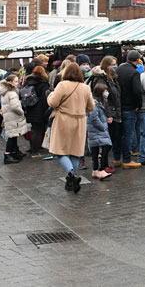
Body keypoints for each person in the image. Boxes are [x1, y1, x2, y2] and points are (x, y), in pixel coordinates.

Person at [47, 62, 95, 193]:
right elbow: (91, 106)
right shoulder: (85, 87)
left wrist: (50, 95)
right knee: (75, 151)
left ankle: (71, 174)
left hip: (63, 120)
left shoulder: (62, 85)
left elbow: (52, 102)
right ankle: (71, 181)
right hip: (79, 121)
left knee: (60, 150)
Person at [86, 57, 122, 171]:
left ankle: (102, 165)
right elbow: (103, 98)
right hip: (107, 113)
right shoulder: (101, 79)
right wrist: (109, 114)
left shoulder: (112, 78)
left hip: (113, 111)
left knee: (110, 139)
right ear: (106, 65)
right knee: (106, 141)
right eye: (112, 64)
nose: (115, 66)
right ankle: (103, 165)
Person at [117, 50, 143, 169]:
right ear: (138, 60)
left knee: (119, 134)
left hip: (118, 107)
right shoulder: (134, 73)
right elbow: (137, 91)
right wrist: (139, 105)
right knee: (128, 134)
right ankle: (127, 160)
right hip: (129, 107)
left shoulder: (118, 70)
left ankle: (117, 158)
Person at [0, 74, 28, 164]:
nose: (18, 83)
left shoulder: (5, 92)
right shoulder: (11, 93)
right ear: (10, 82)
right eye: (15, 81)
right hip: (13, 117)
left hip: (9, 117)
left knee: (13, 135)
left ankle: (14, 152)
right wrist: (21, 112)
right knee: (12, 136)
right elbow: (15, 106)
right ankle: (7, 155)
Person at [22, 65, 51, 157]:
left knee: (33, 129)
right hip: (39, 109)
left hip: (29, 107)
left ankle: (32, 148)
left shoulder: (27, 82)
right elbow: (44, 98)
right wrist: (46, 111)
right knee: (37, 130)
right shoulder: (43, 83)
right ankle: (35, 151)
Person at [87, 83, 113, 180]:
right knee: (102, 149)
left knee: (96, 150)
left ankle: (96, 170)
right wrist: (103, 127)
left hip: (96, 131)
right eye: (105, 91)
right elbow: (94, 118)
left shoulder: (99, 102)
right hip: (98, 131)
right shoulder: (95, 103)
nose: (107, 93)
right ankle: (100, 170)